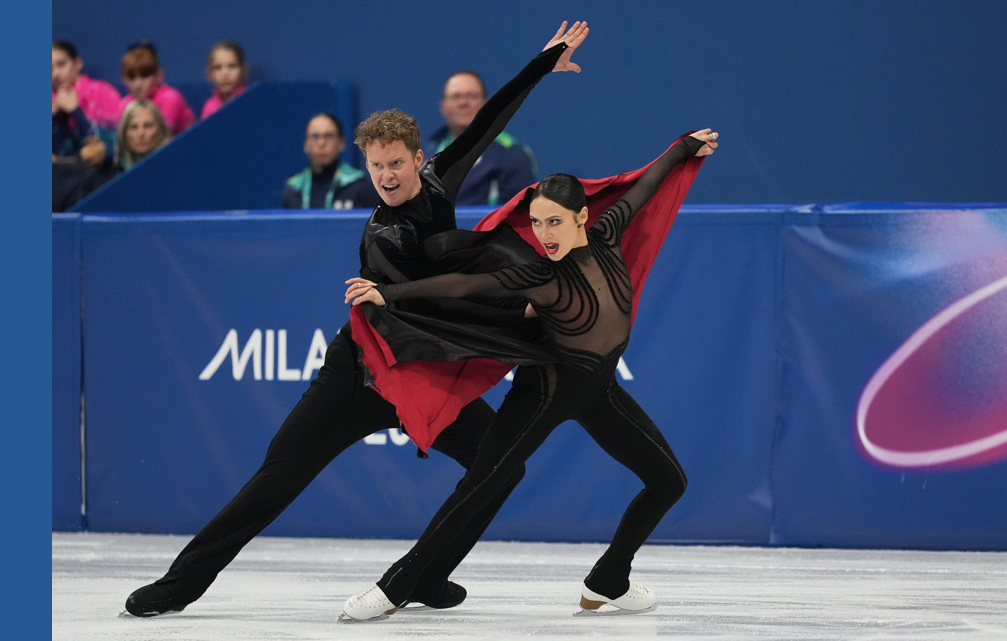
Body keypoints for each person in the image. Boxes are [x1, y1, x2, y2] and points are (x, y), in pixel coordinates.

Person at [122, 20, 589, 618]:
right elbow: (444, 301)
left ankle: (425, 574)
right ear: (364, 167)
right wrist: (520, 306)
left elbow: (488, 121)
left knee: (501, 464)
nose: (387, 177)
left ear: (420, 159)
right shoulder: (383, 236)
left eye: (396, 163)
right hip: (361, 371)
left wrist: (540, 65)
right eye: (375, 167)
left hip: (417, 370)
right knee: (280, 474)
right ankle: (179, 584)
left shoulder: (437, 183)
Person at [340, 128, 718, 621]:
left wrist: (685, 148)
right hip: (545, 393)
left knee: (668, 482)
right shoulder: (540, 275)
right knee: (480, 483)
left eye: (555, 222)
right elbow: (463, 284)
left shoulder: (609, 236)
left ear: (583, 218)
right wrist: (388, 294)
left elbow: (644, 186)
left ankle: (609, 579)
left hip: (599, 391)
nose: (544, 234)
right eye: (537, 223)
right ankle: (392, 588)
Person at [426, 70, 539, 206]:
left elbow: (519, 217)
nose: (463, 103)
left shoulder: (513, 156)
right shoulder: (426, 157)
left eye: (472, 96)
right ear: (442, 107)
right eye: (455, 97)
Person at [281, 113, 379, 210]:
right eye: (314, 136)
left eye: (328, 136)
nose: (321, 143)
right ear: (305, 144)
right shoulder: (294, 191)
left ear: (341, 143)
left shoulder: (359, 187)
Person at [52, 40, 120, 166]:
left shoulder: (101, 91)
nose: (55, 74)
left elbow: (110, 146)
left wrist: (75, 111)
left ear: (77, 63)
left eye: (61, 65)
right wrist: (53, 119)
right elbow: (59, 156)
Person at [119, 42, 195, 135]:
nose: (137, 84)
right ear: (123, 79)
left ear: (159, 76)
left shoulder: (170, 99)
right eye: (132, 77)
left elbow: (159, 140)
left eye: (144, 76)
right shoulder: (124, 105)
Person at [116, 99, 173, 170]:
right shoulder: (112, 170)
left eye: (147, 125)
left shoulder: (175, 163)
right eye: (133, 127)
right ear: (123, 132)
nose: (141, 134)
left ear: (160, 129)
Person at [201, 40, 248, 119]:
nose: (225, 73)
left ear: (243, 70)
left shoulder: (251, 101)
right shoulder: (209, 107)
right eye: (218, 67)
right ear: (209, 73)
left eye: (232, 66)